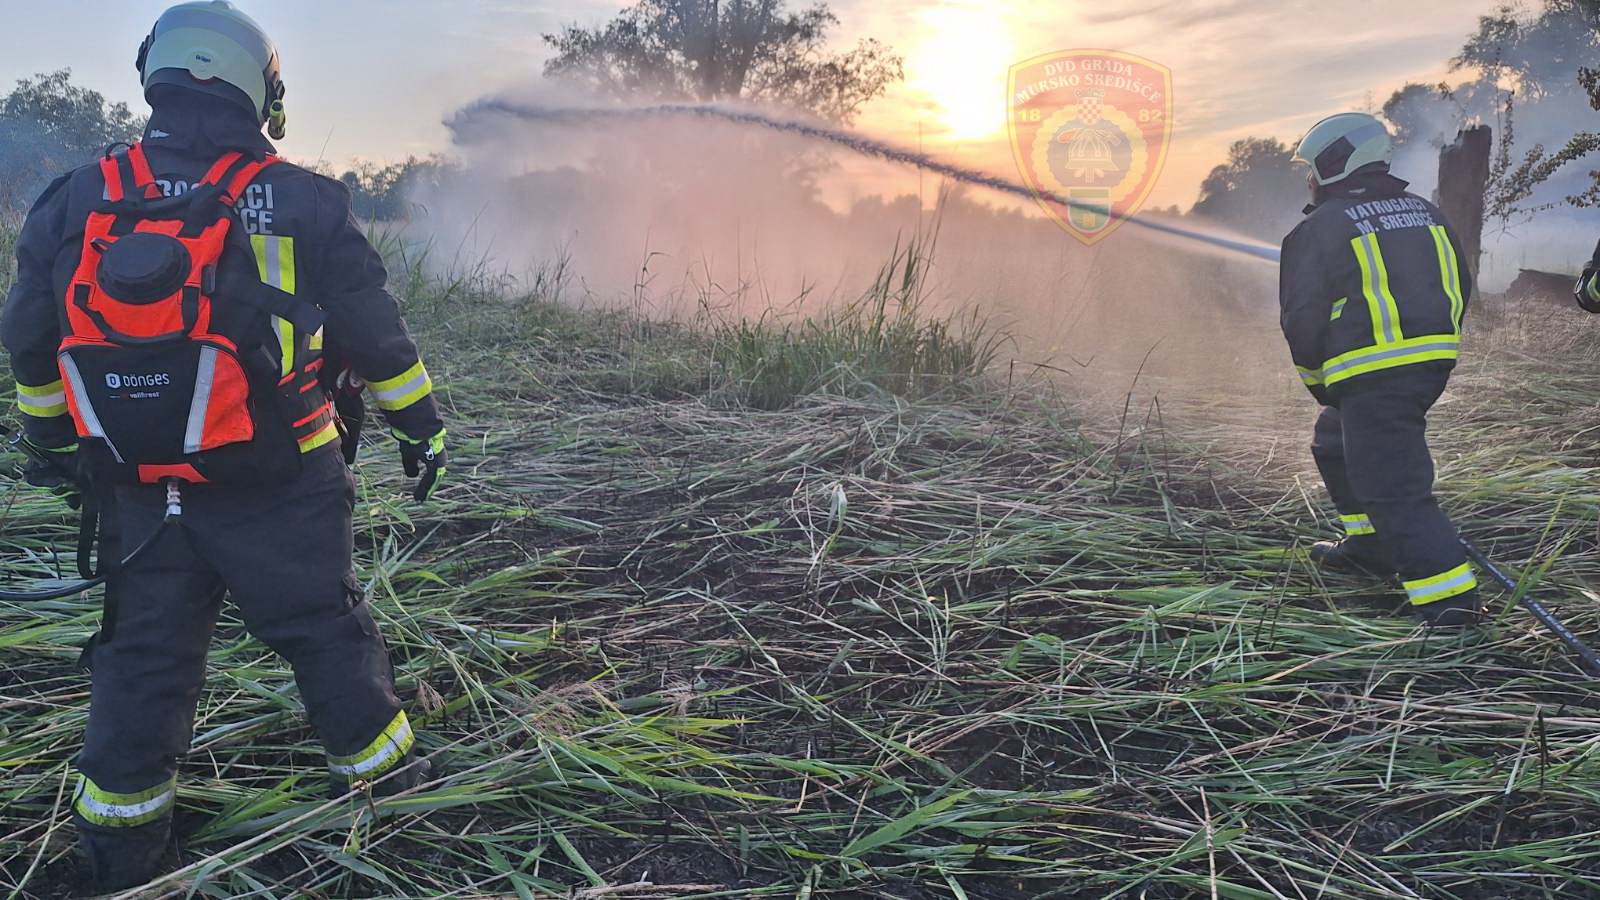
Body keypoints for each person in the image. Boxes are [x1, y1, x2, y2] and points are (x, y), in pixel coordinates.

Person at [1, 2, 447, 890]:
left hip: (136, 485)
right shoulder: (307, 200)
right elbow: (375, 333)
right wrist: (421, 429)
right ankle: (389, 801)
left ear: (155, 74)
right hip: (281, 479)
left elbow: (30, 343)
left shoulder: (75, 198)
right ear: (261, 90)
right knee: (324, 629)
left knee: (142, 659)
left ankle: (125, 854)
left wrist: (61, 449)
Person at [1279, 112, 1479, 627]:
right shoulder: (1422, 212)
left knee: (1395, 489)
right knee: (1334, 443)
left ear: (1334, 162)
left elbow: (1302, 321)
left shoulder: (1319, 228)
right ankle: (1369, 548)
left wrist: (1321, 383)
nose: (1308, 178)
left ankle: (1450, 607)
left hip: (1371, 376)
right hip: (1423, 369)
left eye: (1311, 167)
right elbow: (1460, 278)